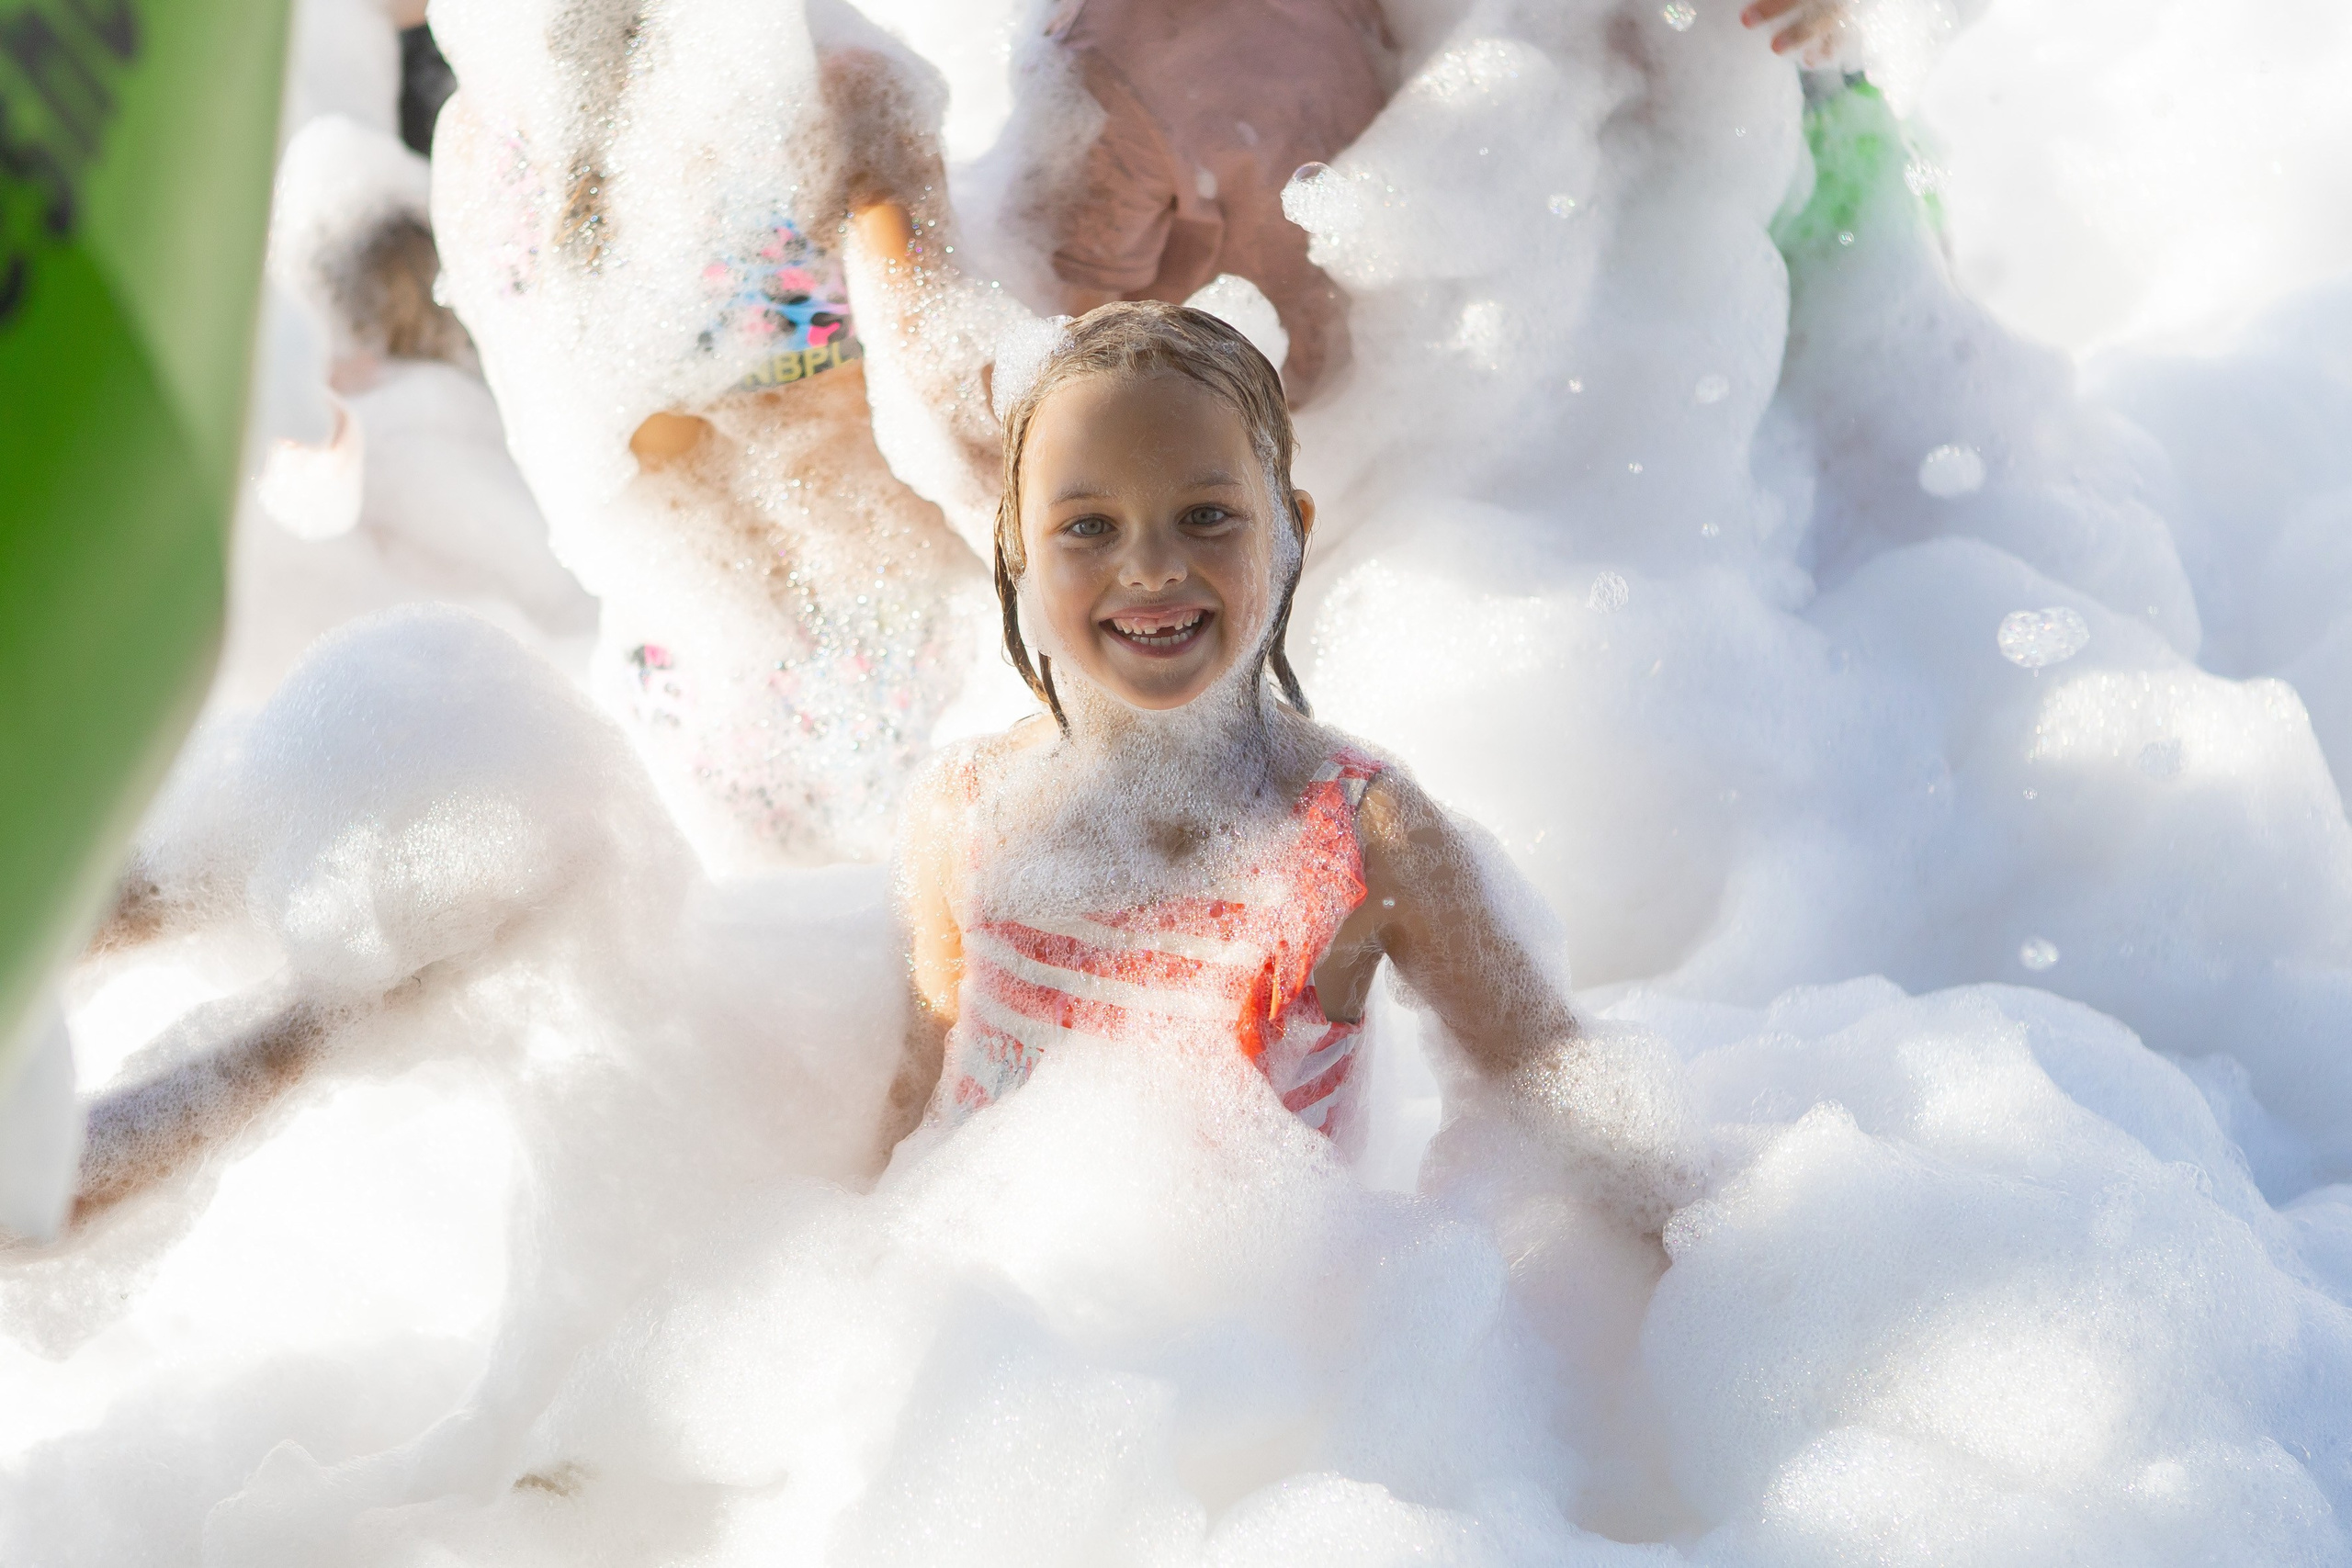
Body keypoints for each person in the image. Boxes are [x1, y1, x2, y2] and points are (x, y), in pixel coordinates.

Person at [883, 300, 1699, 1235]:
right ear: (1015, 544)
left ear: (1289, 528)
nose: (1150, 566)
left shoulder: (1358, 836)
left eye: (1205, 516)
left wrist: (1716, 1279)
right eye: (1089, 527)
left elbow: (1560, 1097)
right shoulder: (967, 810)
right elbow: (916, 1119)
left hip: (1261, 1349)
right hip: (989, 1320)